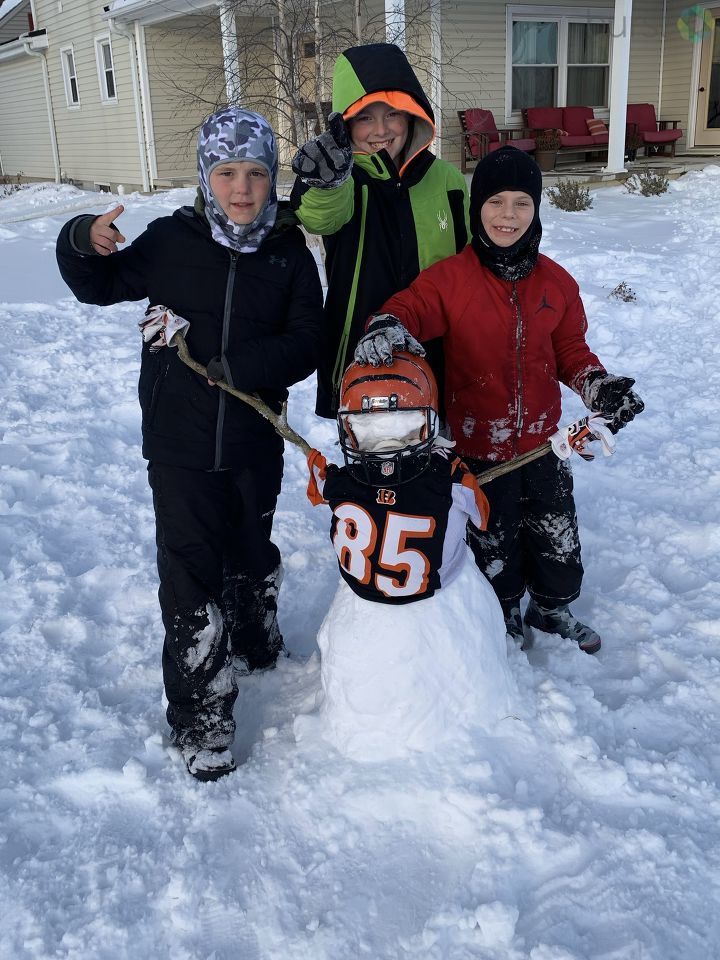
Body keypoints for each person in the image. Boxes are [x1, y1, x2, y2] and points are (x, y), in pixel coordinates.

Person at [56, 107, 323, 781]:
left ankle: (255, 636)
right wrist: (83, 242)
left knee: (249, 547)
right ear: (207, 176)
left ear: (272, 179)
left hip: (255, 433)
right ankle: (203, 718)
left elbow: (307, 339)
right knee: (188, 577)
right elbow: (100, 285)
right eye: (227, 172)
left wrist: (242, 366)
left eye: (256, 173)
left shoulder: (288, 249)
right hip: (176, 441)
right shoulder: (172, 241)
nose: (242, 188)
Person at [353, 146, 644, 654]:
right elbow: (409, 308)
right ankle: (503, 611)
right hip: (478, 447)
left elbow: (572, 351)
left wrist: (598, 386)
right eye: (495, 202)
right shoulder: (451, 280)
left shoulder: (557, 282)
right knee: (494, 543)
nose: (508, 216)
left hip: (545, 444)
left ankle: (552, 609)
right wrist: (388, 324)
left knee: (557, 538)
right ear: (476, 208)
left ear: (536, 210)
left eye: (521, 204)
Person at [305, 353, 516, 760]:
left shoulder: (341, 483)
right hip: (442, 622)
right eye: (371, 430)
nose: (384, 442)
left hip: (360, 632)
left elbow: (320, 486)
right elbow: (483, 515)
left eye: (397, 428)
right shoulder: (448, 483)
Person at [290, 41, 470, 419]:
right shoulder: (340, 179)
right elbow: (319, 218)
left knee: (437, 459)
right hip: (362, 348)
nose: (381, 130)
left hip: (436, 344)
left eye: (392, 114)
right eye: (365, 118)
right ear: (346, 125)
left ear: (412, 115)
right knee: (369, 458)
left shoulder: (447, 180)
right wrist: (326, 183)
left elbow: (471, 260)